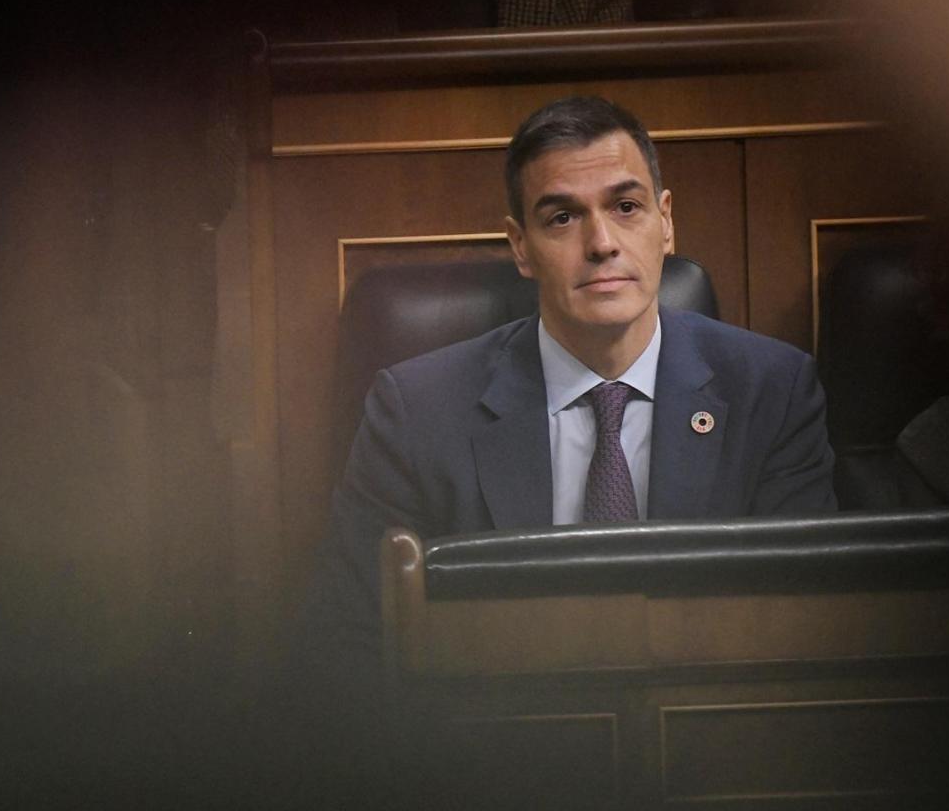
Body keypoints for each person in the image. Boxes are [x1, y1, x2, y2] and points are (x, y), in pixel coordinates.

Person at [312, 96, 836, 656]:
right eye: (562, 217)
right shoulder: (415, 410)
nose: (602, 243)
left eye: (627, 207)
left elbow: (805, 625)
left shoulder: (774, 390)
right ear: (521, 247)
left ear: (666, 223)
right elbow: (356, 640)